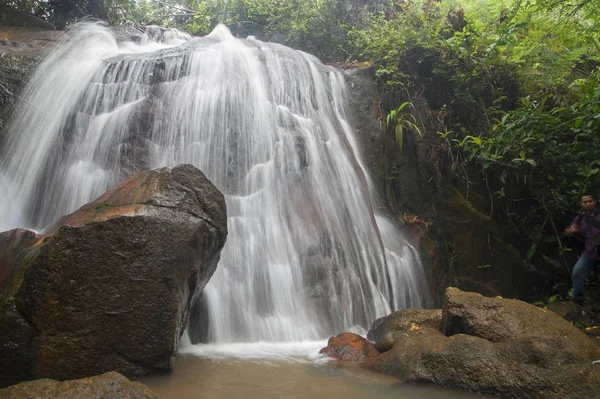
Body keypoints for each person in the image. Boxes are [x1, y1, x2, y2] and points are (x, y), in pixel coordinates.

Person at [564, 193, 600, 305]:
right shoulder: (580, 217)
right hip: (590, 252)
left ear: (595, 201)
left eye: (590, 201)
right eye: (585, 202)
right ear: (581, 204)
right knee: (577, 271)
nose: (588, 204)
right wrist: (570, 230)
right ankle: (577, 303)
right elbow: (568, 231)